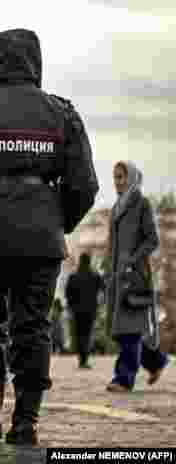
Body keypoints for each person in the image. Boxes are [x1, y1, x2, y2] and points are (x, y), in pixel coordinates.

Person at [0, 28, 98, 446]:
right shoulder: (62, 112)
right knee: (34, 325)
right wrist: (56, 219)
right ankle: (26, 419)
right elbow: (84, 183)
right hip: (42, 238)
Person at [105, 161, 168, 393]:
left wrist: (132, 259)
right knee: (122, 332)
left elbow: (153, 240)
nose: (117, 182)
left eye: (121, 177)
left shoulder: (141, 204)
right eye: (115, 177)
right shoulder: (116, 208)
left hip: (134, 278)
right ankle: (156, 361)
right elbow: (112, 245)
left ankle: (124, 378)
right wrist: (108, 271)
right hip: (117, 278)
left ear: (131, 178)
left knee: (129, 329)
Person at [65, 253, 104, 369]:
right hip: (90, 309)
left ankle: (81, 359)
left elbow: (68, 294)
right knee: (87, 334)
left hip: (76, 310)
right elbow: (103, 288)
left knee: (78, 334)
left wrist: (71, 305)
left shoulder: (73, 276)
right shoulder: (95, 276)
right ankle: (84, 359)